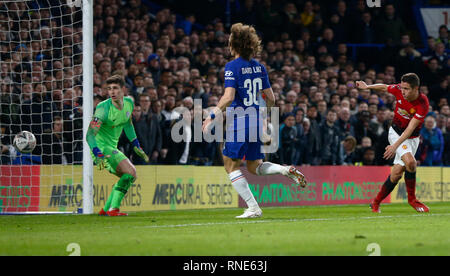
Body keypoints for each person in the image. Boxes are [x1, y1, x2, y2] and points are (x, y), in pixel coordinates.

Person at [202, 23, 307, 219]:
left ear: (233, 44)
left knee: (230, 164)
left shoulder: (231, 67)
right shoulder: (259, 67)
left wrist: (211, 115)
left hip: (239, 120)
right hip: (256, 119)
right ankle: (285, 170)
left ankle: (253, 207)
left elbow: (228, 97)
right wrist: (263, 117)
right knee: (254, 166)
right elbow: (272, 98)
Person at [356, 73, 430, 213]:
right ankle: (412, 199)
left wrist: (395, 147)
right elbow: (384, 87)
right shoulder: (399, 90)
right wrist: (367, 86)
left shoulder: (422, 103)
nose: (402, 91)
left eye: (406, 89)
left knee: (396, 173)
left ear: (416, 89)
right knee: (411, 163)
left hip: (411, 138)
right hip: (396, 132)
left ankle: (376, 202)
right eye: (402, 88)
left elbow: (410, 129)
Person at [86, 75, 149, 216]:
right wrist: (97, 153)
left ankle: (106, 210)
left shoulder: (129, 103)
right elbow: (89, 135)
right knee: (131, 173)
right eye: (109, 89)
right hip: (101, 149)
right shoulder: (103, 108)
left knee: (128, 176)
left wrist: (135, 144)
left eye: (115, 88)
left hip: (112, 147)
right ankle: (113, 209)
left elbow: (127, 123)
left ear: (123, 89)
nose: (112, 92)